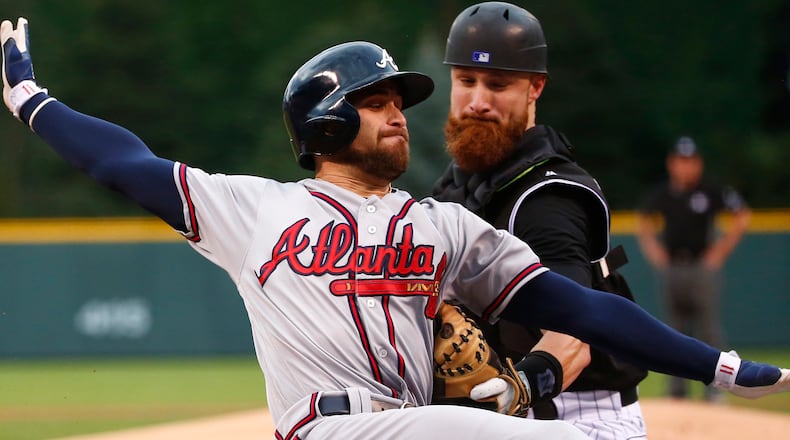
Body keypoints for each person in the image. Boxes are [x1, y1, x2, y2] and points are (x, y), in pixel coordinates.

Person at [3, 17, 787, 440]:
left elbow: (584, 310)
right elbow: (125, 164)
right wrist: (32, 97)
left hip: (421, 424)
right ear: (329, 116)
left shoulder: (442, 224)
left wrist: (716, 364)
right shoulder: (254, 211)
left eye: (399, 103)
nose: (398, 116)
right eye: (378, 102)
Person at [432, 3, 648, 438]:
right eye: (466, 80)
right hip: (510, 415)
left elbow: (573, 338)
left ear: (534, 88)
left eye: (498, 84)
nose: (477, 101)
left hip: (576, 417)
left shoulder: (545, 200)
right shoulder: (456, 190)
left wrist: (522, 386)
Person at [637, 135, 752, 402]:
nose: (686, 166)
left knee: (708, 329)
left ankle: (716, 390)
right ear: (671, 163)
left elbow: (742, 214)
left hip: (702, 266)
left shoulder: (710, 190)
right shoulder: (663, 193)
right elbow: (643, 219)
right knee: (674, 330)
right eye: (681, 160)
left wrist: (720, 251)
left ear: (698, 163)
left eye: (690, 161)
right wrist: (654, 251)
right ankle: (677, 391)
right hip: (674, 267)